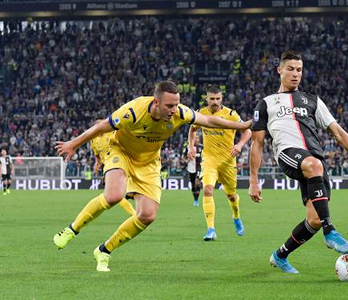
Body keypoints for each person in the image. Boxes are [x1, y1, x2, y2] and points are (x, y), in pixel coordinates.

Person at [53, 80, 252, 272]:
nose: (174, 110)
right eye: (169, 106)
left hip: (148, 162)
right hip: (120, 151)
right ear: (156, 102)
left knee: (147, 215)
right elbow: (101, 127)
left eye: (176, 104)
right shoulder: (133, 111)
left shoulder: (180, 112)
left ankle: (104, 250)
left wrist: (241, 127)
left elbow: (208, 120)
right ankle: (71, 230)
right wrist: (74, 144)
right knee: (114, 195)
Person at [248, 50, 348, 274]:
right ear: (279, 70)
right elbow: (257, 144)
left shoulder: (313, 101)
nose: (295, 74)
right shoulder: (266, 103)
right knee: (314, 169)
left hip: (314, 161)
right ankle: (330, 230)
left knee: (314, 219)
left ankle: (280, 256)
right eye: (290, 69)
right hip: (288, 153)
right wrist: (253, 180)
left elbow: (338, 132)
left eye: (299, 70)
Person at [187, 84, 252, 241]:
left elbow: (247, 131)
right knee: (208, 190)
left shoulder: (231, 114)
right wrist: (191, 146)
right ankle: (211, 229)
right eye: (212, 99)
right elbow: (192, 129)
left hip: (228, 161)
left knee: (231, 196)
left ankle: (236, 216)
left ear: (221, 98)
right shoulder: (201, 113)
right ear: (206, 98)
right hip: (209, 159)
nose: (215, 101)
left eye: (217, 98)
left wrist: (239, 145)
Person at [90, 121, 136, 216]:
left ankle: (132, 195)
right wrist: (97, 165)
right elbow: (97, 155)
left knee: (115, 194)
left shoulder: (112, 132)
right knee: (114, 195)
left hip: (118, 162)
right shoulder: (93, 140)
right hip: (107, 166)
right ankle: (133, 208)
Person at [184, 136, 202, 207]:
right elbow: (184, 157)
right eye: (195, 138)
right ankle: (195, 199)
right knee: (193, 185)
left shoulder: (202, 147)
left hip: (199, 168)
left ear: (199, 139)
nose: (196, 139)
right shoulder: (188, 147)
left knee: (197, 182)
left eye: (197, 138)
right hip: (190, 168)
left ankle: (196, 200)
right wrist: (187, 160)